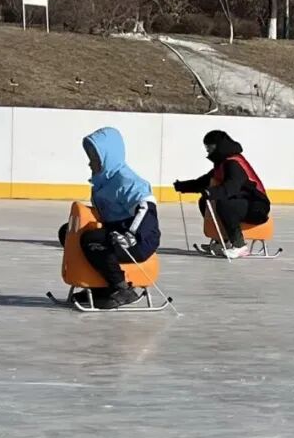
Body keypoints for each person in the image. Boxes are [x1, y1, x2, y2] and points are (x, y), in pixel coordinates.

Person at [77, 127, 161, 309]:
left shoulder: (126, 181)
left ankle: (121, 288)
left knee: (92, 241)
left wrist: (132, 235)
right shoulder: (105, 181)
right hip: (118, 233)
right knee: (73, 234)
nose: (90, 164)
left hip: (139, 240)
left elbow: (146, 208)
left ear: (107, 158)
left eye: (95, 159)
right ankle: (100, 286)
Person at [173, 130, 271, 259]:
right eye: (206, 147)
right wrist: (183, 186)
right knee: (205, 201)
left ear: (218, 146)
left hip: (257, 206)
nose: (207, 151)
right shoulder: (222, 164)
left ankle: (239, 245)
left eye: (209, 147)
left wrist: (211, 192)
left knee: (224, 203)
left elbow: (232, 187)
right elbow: (204, 182)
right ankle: (222, 241)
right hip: (243, 202)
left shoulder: (234, 163)